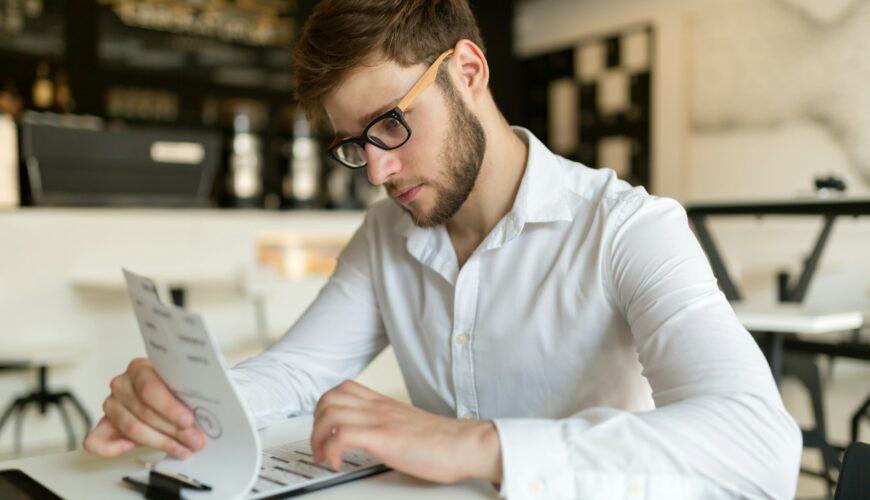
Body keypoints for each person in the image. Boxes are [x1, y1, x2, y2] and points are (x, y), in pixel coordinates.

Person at [84, 1, 802, 497]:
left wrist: (476, 444)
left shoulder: (627, 227)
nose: (377, 169)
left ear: (468, 71)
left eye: (390, 125)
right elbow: (297, 374)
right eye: (353, 144)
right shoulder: (386, 235)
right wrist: (190, 402)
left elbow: (759, 449)